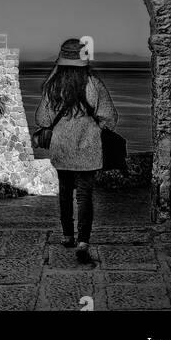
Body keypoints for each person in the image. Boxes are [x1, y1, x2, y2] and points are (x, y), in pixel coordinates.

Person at [34, 36, 118, 264]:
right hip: (89, 147)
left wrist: (53, 75)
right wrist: (93, 129)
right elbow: (109, 118)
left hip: (61, 148)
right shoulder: (94, 83)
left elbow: (42, 119)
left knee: (65, 194)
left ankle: (67, 235)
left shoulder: (54, 86)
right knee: (84, 196)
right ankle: (83, 241)